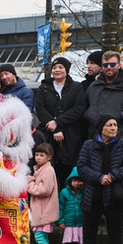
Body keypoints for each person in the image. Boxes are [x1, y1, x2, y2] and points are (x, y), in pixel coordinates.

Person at [76, 117, 123, 244]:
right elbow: (82, 167)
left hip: (115, 197)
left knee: (115, 233)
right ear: (101, 127)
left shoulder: (122, 144)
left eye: (115, 125)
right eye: (109, 125)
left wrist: (113, 175)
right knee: (89, 233)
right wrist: (99, 177)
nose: (113, 128)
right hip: (92, 196)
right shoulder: (88, 145)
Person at [34, 56, 88, 189]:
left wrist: (58, 122)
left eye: (60, 67)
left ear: (66, 70)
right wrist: (54, 127)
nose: (57, 70)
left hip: (71, 134)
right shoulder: (44, 87)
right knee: (49, 166)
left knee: (67, 168)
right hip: (48, 132)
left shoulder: (76, 87)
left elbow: (79, 108)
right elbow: (40, 108)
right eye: (54, 67)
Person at [83, 50, 123, 145]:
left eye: (112, 64)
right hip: (95, 138)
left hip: (119, 138)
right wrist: (90, 115)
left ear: (119, 65)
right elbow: (84, 106)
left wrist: (120, 116)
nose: (109, 67)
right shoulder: (93, 86)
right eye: (105, 65)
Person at [27, 143, 58, 244]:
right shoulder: (40, 169)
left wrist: (30, 183)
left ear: (49, 157)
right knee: (41, 236)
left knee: (40, 236)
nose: (38, 157)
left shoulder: (47, 171)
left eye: (42, 155)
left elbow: (45, 189)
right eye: (36, 155)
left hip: (44, 210)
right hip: (41, 209)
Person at [58, 168, 85, 244]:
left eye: (79, 180)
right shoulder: (64, 193)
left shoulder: (84, 192)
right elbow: (60, 206)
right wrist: (60, 220)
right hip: (69, 224)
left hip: (81, 224)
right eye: (74, 180)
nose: (76, 183)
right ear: (69, 181)